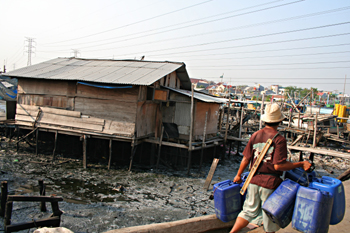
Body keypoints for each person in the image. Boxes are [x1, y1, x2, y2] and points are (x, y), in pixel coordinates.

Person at [229, 103, 311, 233]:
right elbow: (279, 165)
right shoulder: (279, 140)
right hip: (269, 183)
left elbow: (246, 158)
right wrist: (300, 163)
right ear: (279, 121)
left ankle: (232, 232)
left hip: (253, 180)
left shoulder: (255, 135)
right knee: (269, 215)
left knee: (248, 211)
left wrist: (238, 175)